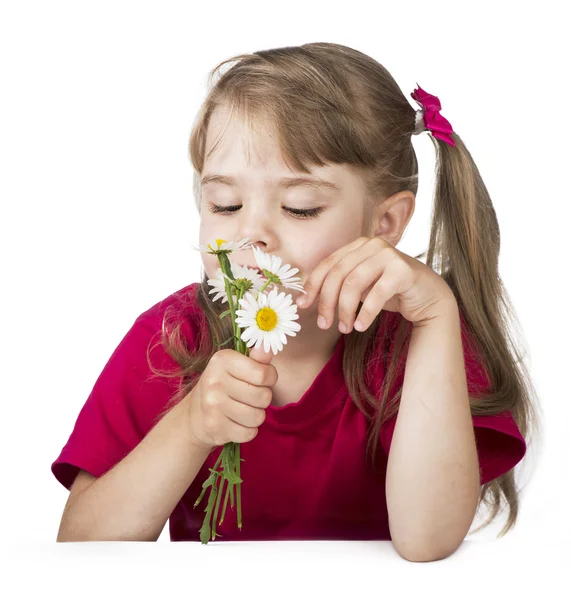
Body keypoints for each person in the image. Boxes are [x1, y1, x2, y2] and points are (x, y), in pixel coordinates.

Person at [52, 42, 541, 555]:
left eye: (299, 207)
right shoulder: (171, 339)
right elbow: (82, 546)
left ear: (385, 223)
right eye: (225, 203)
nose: (252, 233)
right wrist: (193, 425)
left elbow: (428, 542)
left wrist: (438, 314)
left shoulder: (422, 340)